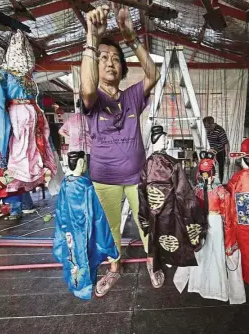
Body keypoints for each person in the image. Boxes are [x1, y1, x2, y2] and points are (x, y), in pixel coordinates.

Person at [80, 4, 161, 297]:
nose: (110, 62)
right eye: (103, 58)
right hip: (104, 177)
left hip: (136, 176)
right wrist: (92, 37)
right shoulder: (92, 99)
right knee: (110, 226)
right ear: (94, 64)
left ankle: (153, 261)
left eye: (115, 59)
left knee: (146, 222)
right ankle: (114, 267)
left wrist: (130, 37)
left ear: (123, 68)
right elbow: (87, 89)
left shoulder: (132, 97)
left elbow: (153, 75)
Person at [203, 116, 230, 183]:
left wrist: (227, 157)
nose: (207, 129)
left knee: (221, 168)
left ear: (212, 124)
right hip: (213, 150)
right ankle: (210, 181)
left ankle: (221, 182)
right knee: (208, 166)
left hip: (221, 151)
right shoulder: (208, 130)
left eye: (208, 127)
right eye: (205, 127)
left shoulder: (220, 131)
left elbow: (226, 144)